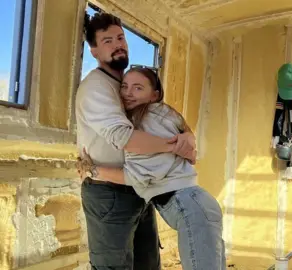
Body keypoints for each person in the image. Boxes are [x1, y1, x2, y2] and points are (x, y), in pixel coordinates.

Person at [76, 12, 197, 269]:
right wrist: (176, 147)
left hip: (140, 187)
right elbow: (125, 138)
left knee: (148, 264)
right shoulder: (96, 87)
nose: (118, 44)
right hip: (109, 192)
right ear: (94, 51)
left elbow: (163, 115)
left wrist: (187, 134)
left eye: (120, 37)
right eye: (107, 40)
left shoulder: (128, 84)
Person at [77, 65, 226, 270]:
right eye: (125, 86)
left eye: (138, 88)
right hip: (196, 206)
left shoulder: (148, 120)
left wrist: (93, 170)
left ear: (154, 95)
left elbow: (138, 177)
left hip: (192, 210)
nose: (128, 93)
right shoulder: (157, 115)